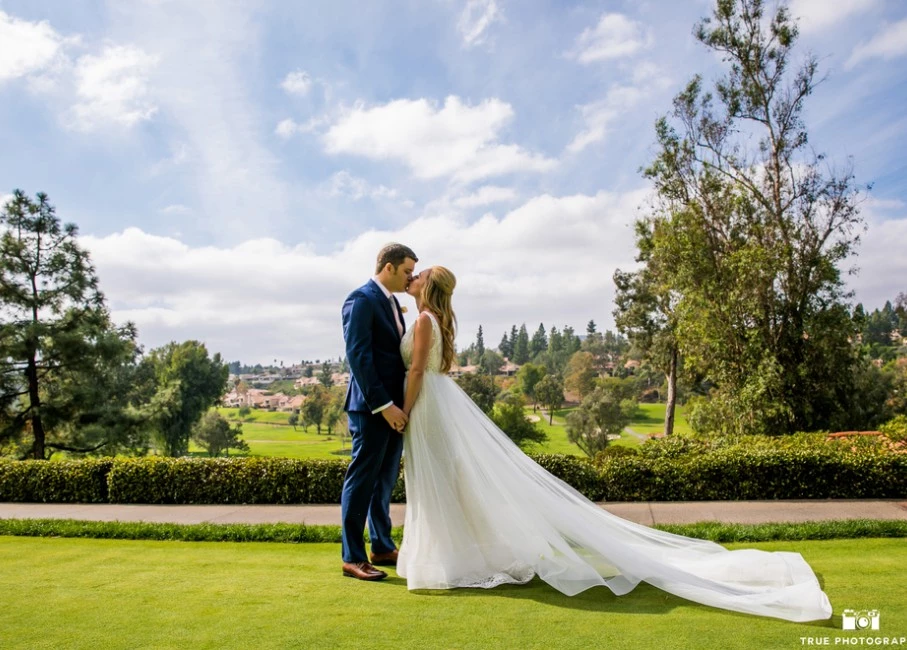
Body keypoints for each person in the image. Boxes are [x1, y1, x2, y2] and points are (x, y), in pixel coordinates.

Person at [395, 265, 833, 623]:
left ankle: (451, 561)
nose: (410, 279)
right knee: (449, 483)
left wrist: (406, 410)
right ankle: (454, 558)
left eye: (416, 276)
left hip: (430, 407)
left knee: (440, 482)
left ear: (426, 286)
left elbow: (416, 372)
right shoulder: (434, 320)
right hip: (441, 406)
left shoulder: (423, 321)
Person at [340, 243, 417, 581]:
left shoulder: (393, 306)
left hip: (394, 409)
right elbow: (358, 356)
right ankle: (352, 557)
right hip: (371, 407)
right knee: (362, 480)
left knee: (384, 481)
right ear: (388, 267)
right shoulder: (361, 299)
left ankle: (382, 546)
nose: (410, 277)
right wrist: (384, 406)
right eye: (406, 271)